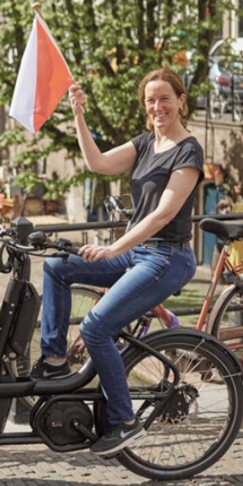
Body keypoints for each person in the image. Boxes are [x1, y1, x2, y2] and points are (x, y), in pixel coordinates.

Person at [33, 68, 203, 457]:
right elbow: (97, 164)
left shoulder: (188, 151)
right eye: (150, 100)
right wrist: (78, 114)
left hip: (167, 257)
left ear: (180, 100)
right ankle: (56, 361)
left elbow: (162, 215)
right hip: (139, 252)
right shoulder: (145, 143)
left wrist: (113, 249)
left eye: (164, 98)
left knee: (95, 327)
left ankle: (124, 422)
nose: (157, 106)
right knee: (58, 267)